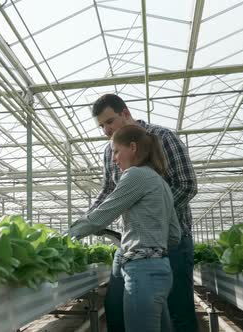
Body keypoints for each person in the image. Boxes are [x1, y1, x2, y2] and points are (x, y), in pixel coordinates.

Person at [88, 94, 198, 332]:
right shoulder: (110, 152)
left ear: (125, 113)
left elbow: (186, 184)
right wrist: (91, 217)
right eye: (101, 126)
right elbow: (109, 189)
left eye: (109, 121)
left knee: (179, 313)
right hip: (131, 246)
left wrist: (153, 213)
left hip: (173, 242)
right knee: (117, 308)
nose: (106, 130)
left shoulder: (163, 137)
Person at [68, 124, 181, 332]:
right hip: (162, 270)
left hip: (142, 273)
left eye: (116, 151)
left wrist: (66, 237)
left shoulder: (136, 175)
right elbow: (175, 234)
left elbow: (100, 216)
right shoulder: (161, 182)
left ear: (133, 147)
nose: (114, 159)